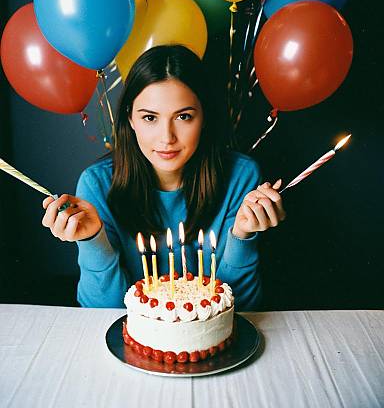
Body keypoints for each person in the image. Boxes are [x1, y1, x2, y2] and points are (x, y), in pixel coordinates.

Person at [42, 45, 286, 310]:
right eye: (149, 118)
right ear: (130, 120)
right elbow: (101, 312)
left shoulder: (241, 177)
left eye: (184, 116)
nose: (167, 138)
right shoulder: (97, 184)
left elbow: (240, 309)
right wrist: (93, 241)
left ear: (204, 117)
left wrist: (242, 236)